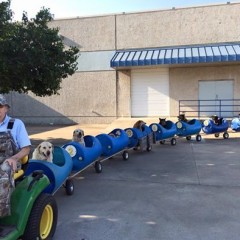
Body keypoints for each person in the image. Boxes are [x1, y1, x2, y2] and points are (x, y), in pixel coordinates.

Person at [0, 94, 31, 172]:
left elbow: (26, 149)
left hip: (9, 163)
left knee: (5, 168)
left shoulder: (16, 124)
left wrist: (13, 158)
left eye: (0, 106)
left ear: (6, 108)